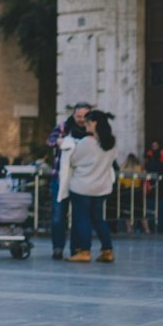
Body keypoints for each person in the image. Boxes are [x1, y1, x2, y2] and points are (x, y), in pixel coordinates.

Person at [60, 109, 118, 263]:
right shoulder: (111, 144)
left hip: (82, 187)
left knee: (82, 219)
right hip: (101, 187)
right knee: (99, 219)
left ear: (95, 123)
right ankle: (107, 250)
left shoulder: (87, 142)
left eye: (88, 122)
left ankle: (85, 251)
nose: (85, 125)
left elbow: (74, 161)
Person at [49, 103, 90, 260]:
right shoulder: (63, 127)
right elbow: (50, 141)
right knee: (58, 215)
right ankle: (58, 247)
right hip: (60, 177)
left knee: (79, 215)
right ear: (73, 115)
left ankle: (76, 248)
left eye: (84, 117)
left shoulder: (91, 131)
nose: (81, 120)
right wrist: (60, 141)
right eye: (78, 116)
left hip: (80, 178)